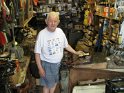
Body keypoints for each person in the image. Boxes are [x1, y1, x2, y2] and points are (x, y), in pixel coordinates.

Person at [34, 11, 82, 93]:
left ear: (58, 22)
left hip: (57, 64)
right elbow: (37, 53)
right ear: (46, 21)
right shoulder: (42, 34)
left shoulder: (60, 31)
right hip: (47, 65)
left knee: (53, 83)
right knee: (48, 85)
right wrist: (40, 68)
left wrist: (75, 52)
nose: (53, 23)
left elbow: (66, 45)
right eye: (50, 21)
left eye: (55, 21)